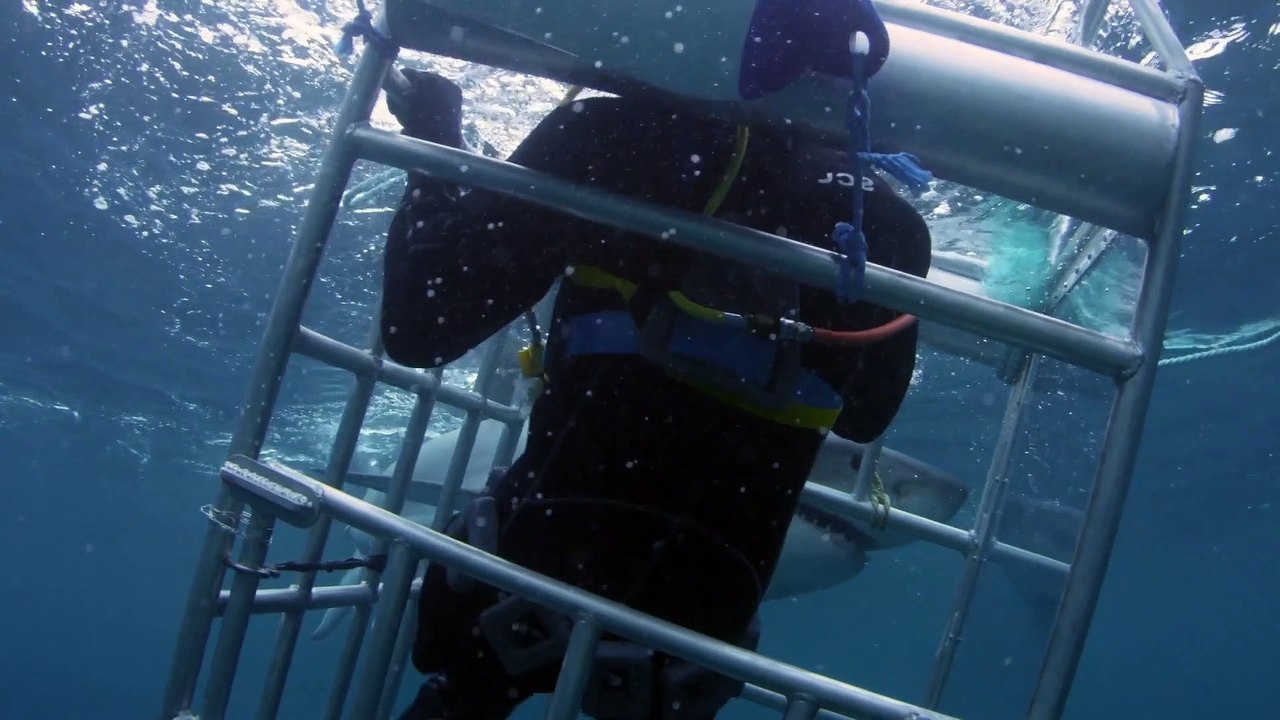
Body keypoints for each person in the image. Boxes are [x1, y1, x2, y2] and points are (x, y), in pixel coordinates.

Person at [379, 17, 930, 720]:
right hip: (685, 648)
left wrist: (434, 138)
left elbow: (419, 328)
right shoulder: (884, 228)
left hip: (520, 588)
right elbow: (867, 415)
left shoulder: (608, 139)